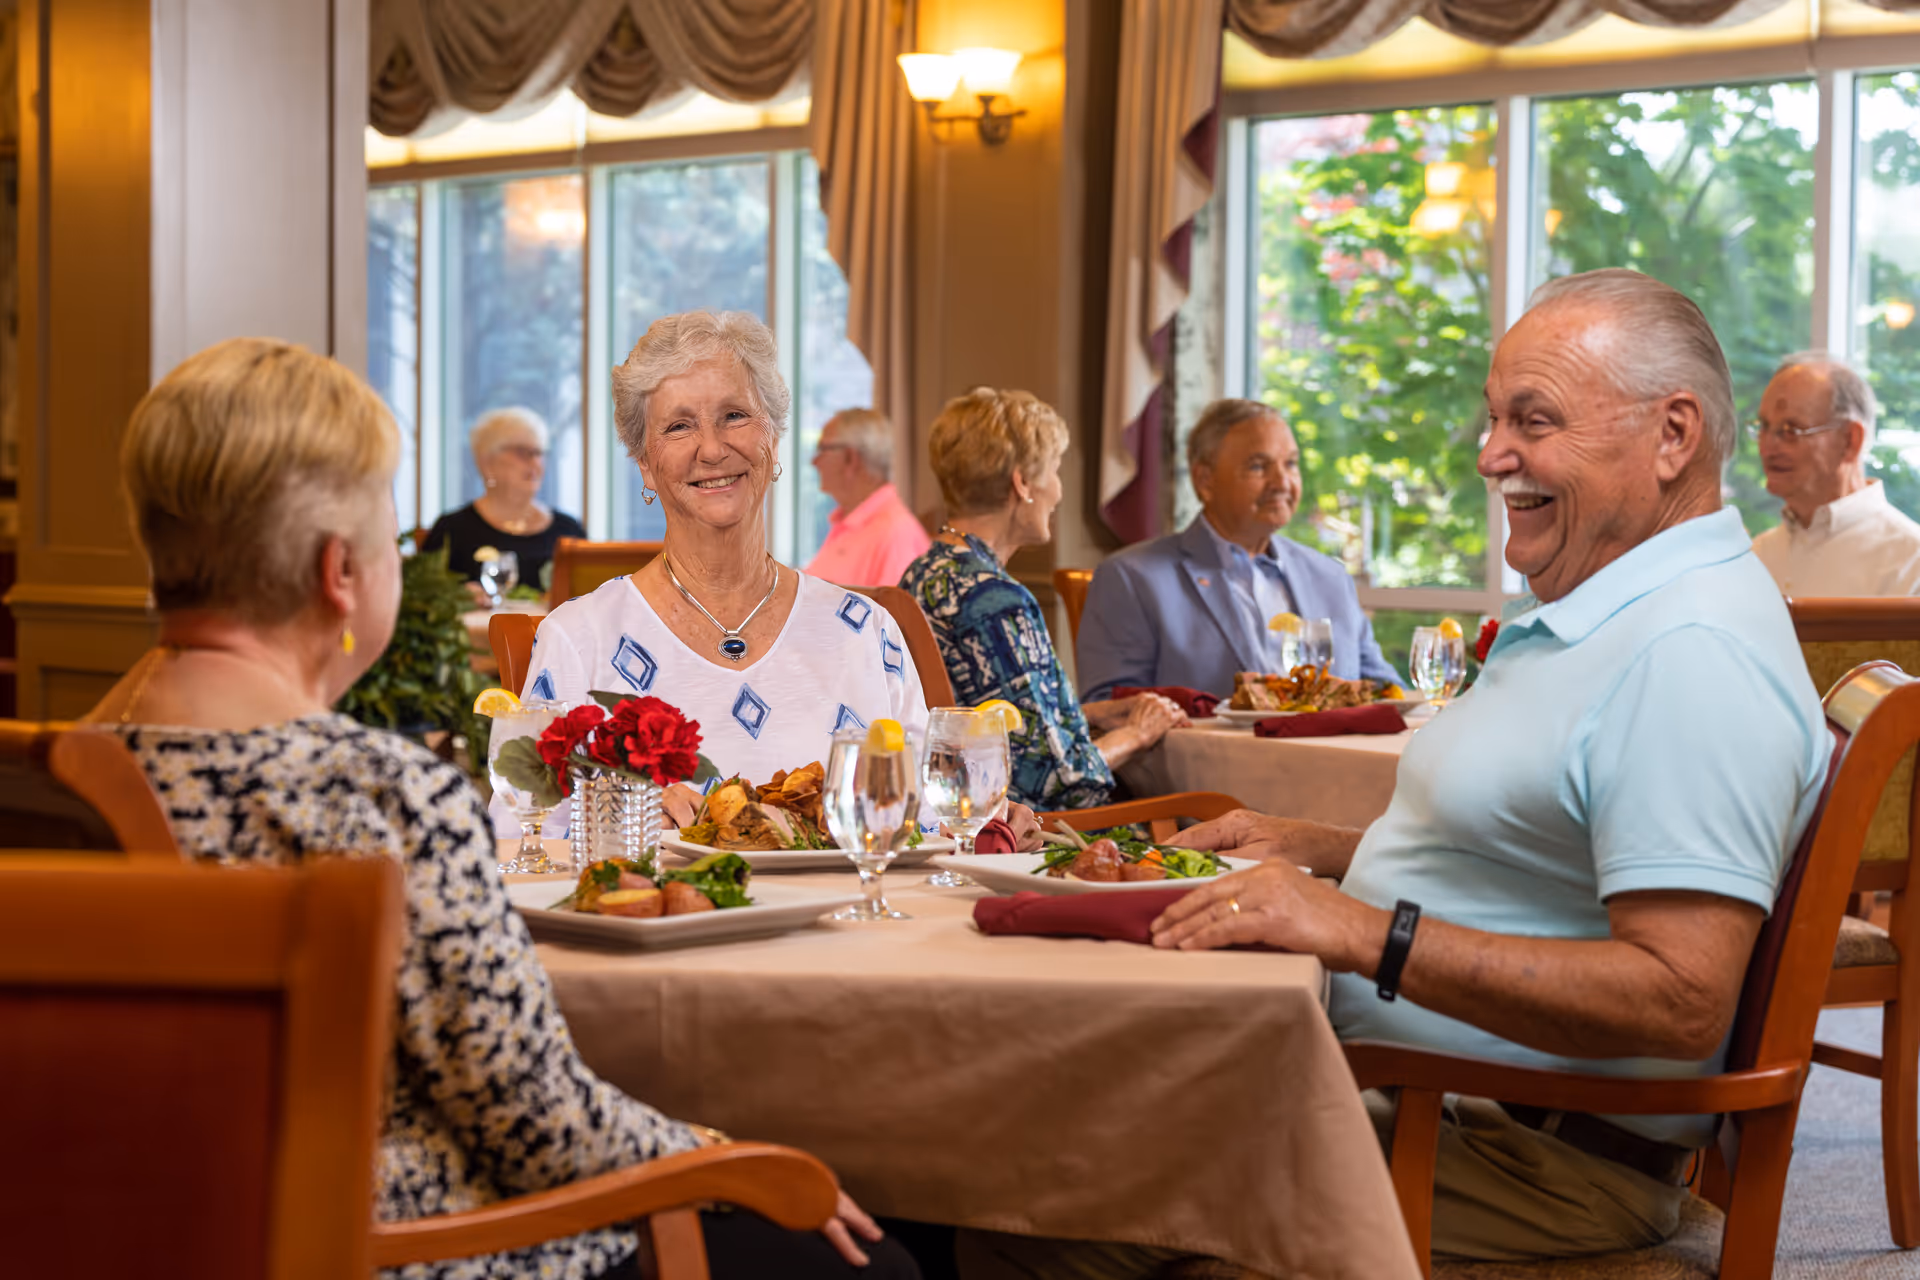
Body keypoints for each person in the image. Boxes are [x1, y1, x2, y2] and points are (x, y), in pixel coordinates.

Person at [86, 337, 919, 1280]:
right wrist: (733, 1158)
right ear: (339, 572)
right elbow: (536, 1123)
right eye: (387, 525)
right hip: (412, 1244)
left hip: (129, 1233)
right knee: (877, 1262)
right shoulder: (386, 799)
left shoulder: (55, 777)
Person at [1148, 271, 1832, 1265]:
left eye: (1534, 420)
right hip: (1446, 1106)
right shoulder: (1624, 603)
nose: (1490, 453)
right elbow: (1549, 847)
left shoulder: (1690, 648)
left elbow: (1679, 995)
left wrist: (1360, 929)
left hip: (1519, 1155)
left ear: (1672, 436)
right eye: (1494, 417)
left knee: (1052, 1199)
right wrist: (1320, 850)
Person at [526, 312, 928, 823]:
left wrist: (997, 827)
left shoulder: (866, 631)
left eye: (735, 415)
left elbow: (929, 822)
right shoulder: (579, 640)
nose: (713, 448)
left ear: (773, 439)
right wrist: (629, 817)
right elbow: (523, 842)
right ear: (645, 463)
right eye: (678, 426)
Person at [901, 387, 1184, 812]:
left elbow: (991, 714)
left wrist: (1088, 713)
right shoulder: (997, 601)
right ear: (1023, 483)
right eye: (1054, 470)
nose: (1058, 489)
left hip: (956, 817)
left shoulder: (924, 574)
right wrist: (1139, 734)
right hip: (1037, 837)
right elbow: (1060, 782)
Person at [1076, 398, 1398, 702]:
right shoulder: (1133, 578)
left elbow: (1386, 692)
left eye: (1291, 464)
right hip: (1208, 761)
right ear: (1205, 480)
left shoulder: (1330, 576)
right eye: (1259, 467)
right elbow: (1108, 710)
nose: (1282, 482)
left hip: (1333, 760)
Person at [1748, 352, 1920, 596]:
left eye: (1790, 430)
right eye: (1764, 427)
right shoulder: (1758, 556)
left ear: (1850, 440)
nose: (1768, 447)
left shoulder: (1910, 563)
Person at [422, 407, 586, 599]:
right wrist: (458, 596)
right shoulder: (452, 530)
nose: (535, 463)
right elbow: (423, 600)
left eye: (539, 453)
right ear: (486, 462)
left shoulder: (568, 529)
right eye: (522, 452)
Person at [804, 408, 931, 587]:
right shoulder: (849, 522)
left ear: (850, 458)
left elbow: (896, 614)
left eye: (823, 449)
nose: (814, 462)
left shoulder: (895, 534)